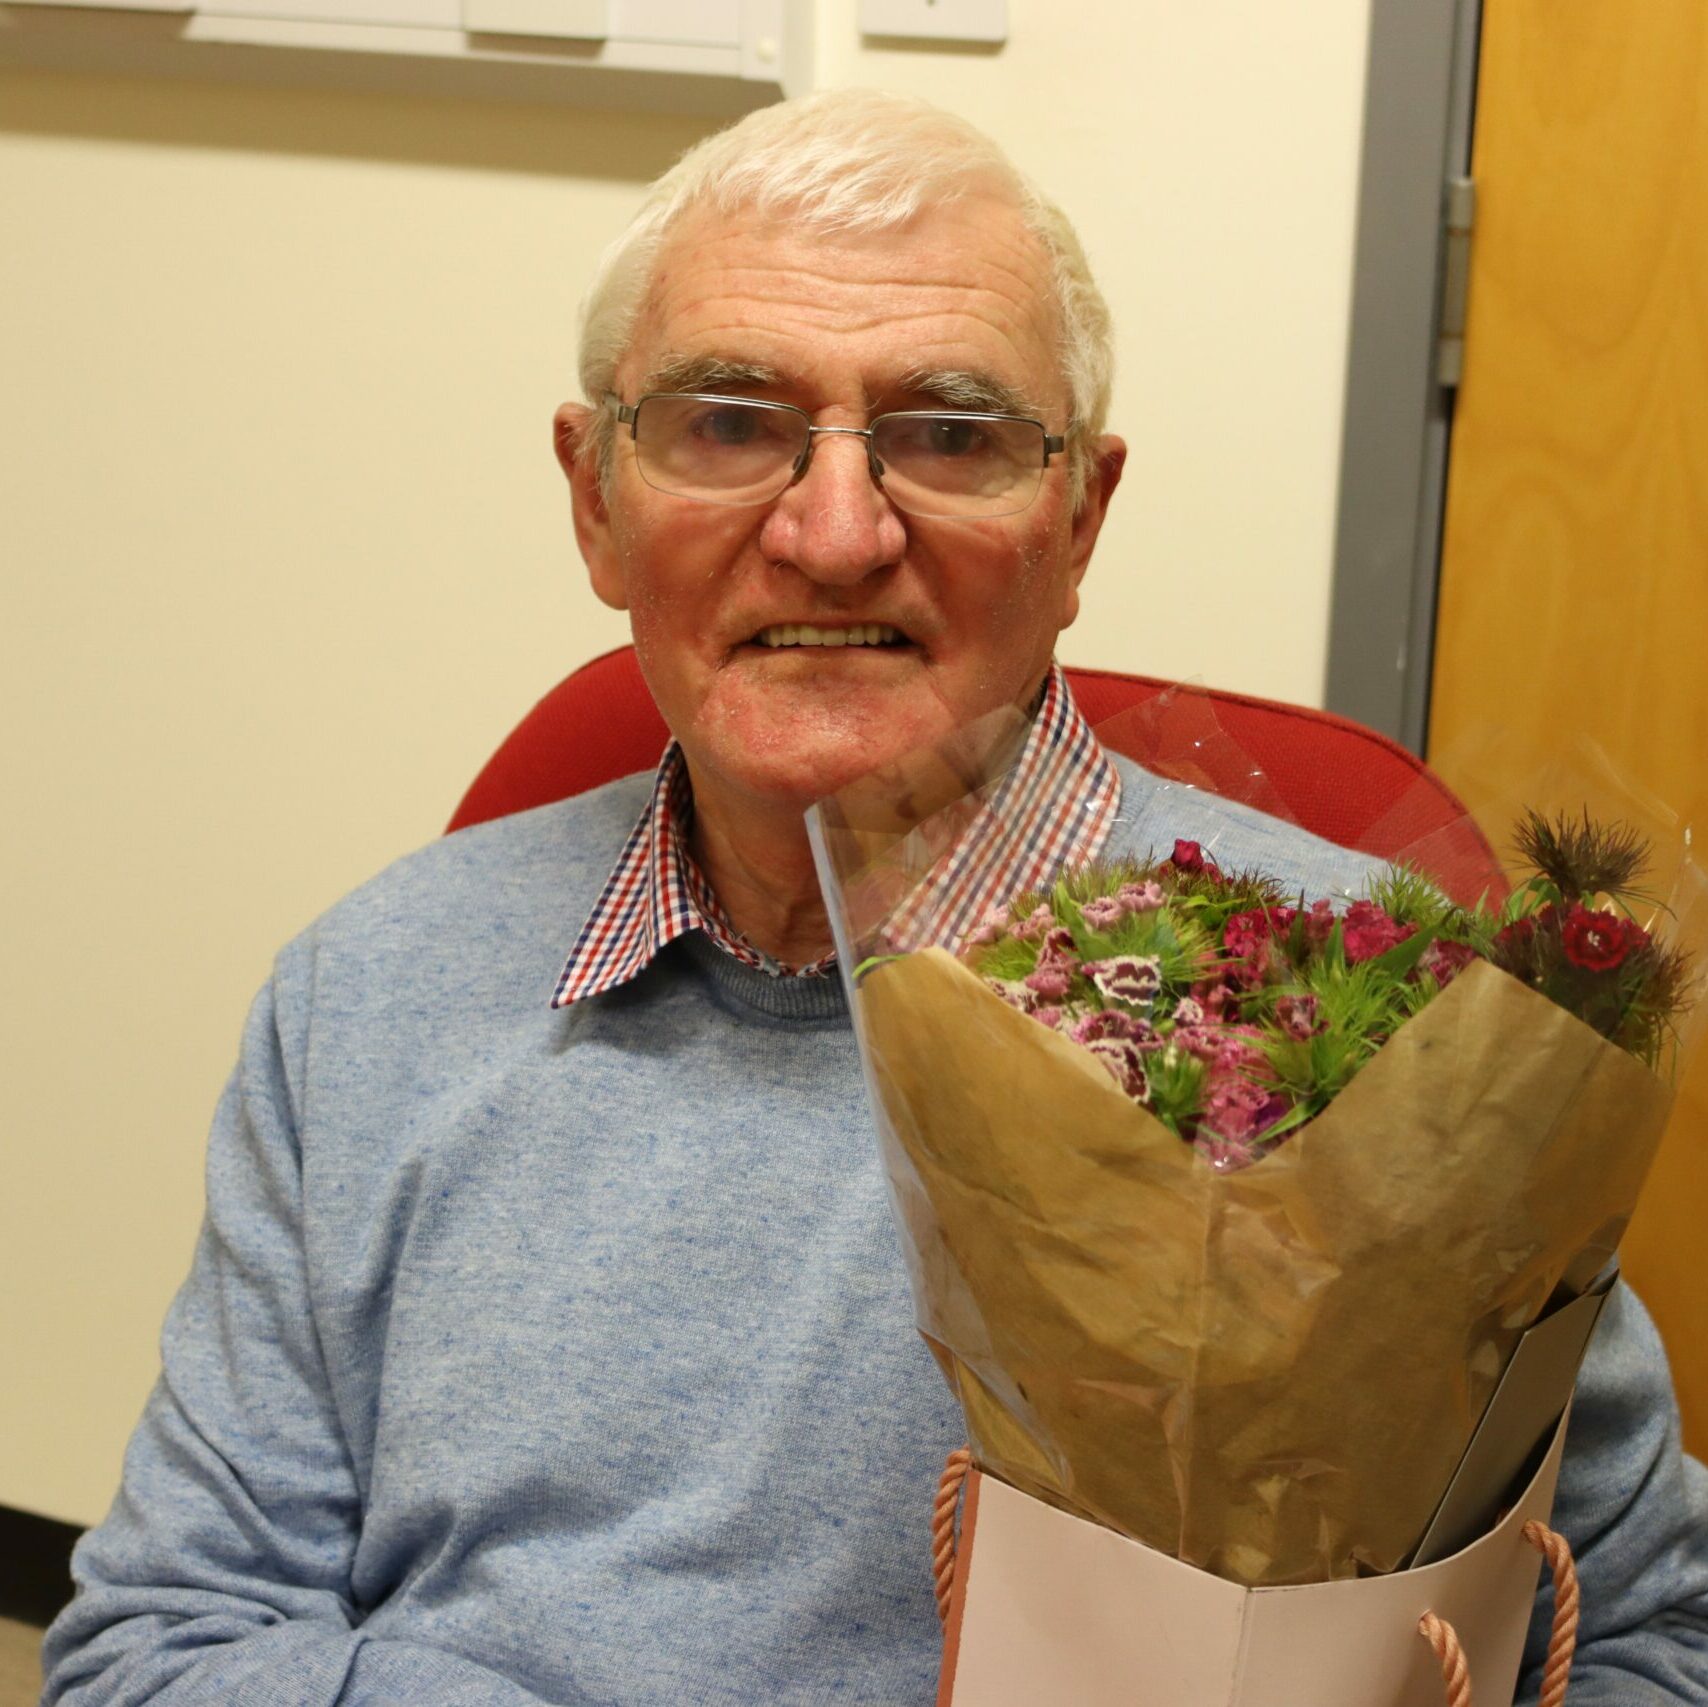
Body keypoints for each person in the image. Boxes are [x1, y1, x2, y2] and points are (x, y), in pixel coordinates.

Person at [42, 89, 1708, 1706]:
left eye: (950, 434)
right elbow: (166, 1639)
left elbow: (1647, 1643)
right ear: (593, 500)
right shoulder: (371, 991)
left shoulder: (1393, 1029)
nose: (836, 534)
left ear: (1078, 515)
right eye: (728, 423)